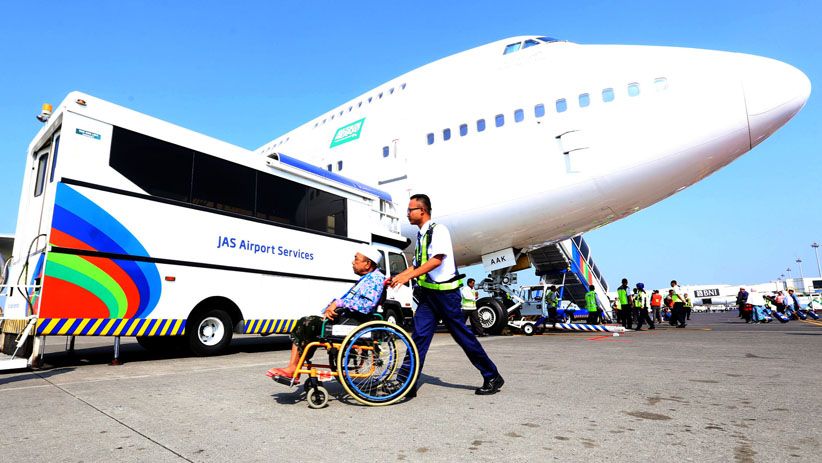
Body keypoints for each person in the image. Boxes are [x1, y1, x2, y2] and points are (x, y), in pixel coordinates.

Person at [391, 194, 503, 396]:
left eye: (411, 210)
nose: (407, 213)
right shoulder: (421, 236)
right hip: (428, 296)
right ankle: (406, 382)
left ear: (422, 211)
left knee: (463, 337)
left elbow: (436, 261)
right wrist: (398, 277)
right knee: (419, 338)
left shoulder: (438, 230)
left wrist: (408, 276)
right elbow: (418, 265)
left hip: (446, 295)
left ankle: (492, 376)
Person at [266, 245, 386, 380]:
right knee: (310, 326)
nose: (353, 262)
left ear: (367, 264)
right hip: (349, 320)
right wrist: (332, 306)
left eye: (356, 259)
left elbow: (366, 306)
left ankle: (293, 368)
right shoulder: (368, 278)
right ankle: (295, 367)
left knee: (307, 323)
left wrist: (338, 304)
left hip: (355, 324)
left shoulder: (375, 279)